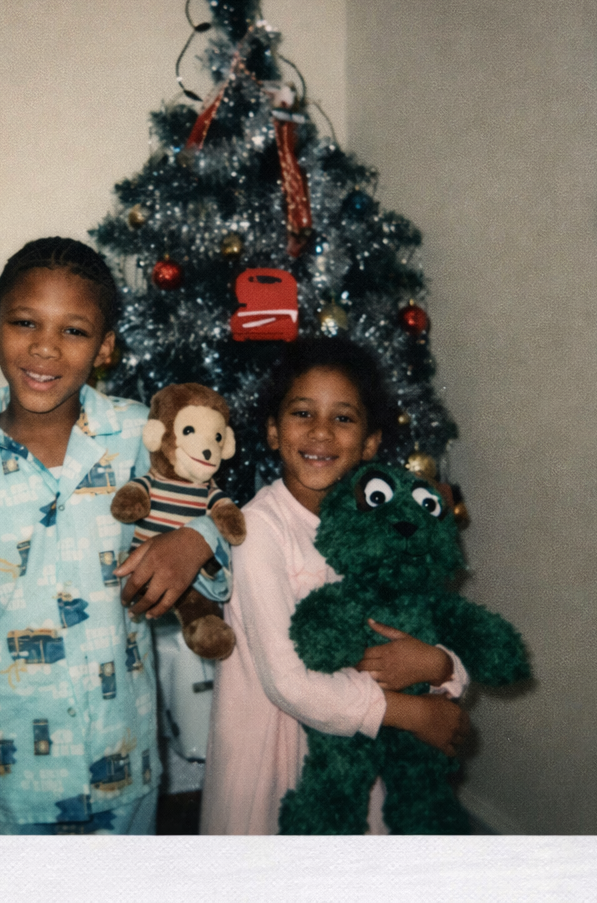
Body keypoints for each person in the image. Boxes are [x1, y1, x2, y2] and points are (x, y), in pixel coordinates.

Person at [0, 237, 230, 835]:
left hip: (125, 776)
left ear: (105, 348)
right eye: (25, 323)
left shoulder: (140, 435)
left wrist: (197, 540)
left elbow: (222, 514)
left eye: (73, 331)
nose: (45, 347)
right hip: (4, 796)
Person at [199, 337, 470, 835]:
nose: (321, 431)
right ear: (274, 431)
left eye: (343, 418)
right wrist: (412, 712)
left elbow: (427, 620)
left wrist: (442, 666)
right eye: (303, 413)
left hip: (361, 751)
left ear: (369, 443)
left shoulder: (385, 527)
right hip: (275, 755)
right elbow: (288, 683)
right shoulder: (259, 529)